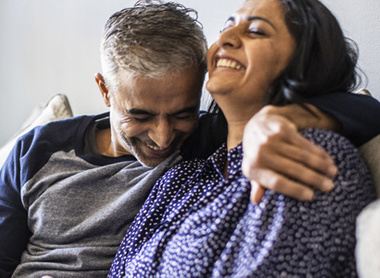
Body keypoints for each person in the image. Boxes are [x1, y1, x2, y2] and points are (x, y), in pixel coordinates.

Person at [0, 0, 379, 277]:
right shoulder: (186, 174)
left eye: (183, 112)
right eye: (140, 115)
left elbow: (367, 110)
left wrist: (289, 116)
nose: (163, 138)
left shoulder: (224, 144)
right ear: (105, 91)